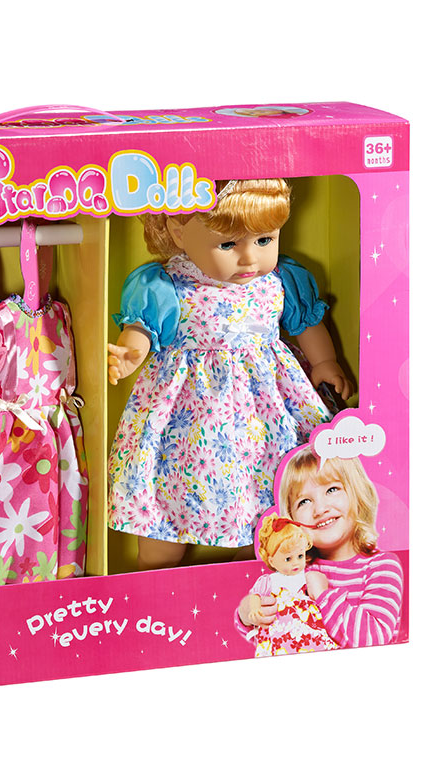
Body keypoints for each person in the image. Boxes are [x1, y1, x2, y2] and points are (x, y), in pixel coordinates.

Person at [107, 179, 352, 569]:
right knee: (170, 501)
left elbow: (305, 325)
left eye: (264, 240)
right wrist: (130, 353)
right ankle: (155, 569)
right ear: (178, 231)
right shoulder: (167, 286)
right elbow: (141, 329)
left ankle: (258, 563)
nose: (250, 258)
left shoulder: (280, 281)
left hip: (268, 414)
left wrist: (324, 362)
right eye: (228, 245)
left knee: (273, 496)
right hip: (191, 419)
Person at [236, 446, 404, 647]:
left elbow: (374, 638)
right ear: (291, 519)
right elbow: (272, 637)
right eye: (304, 501)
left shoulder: (381, 567)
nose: (320, 509)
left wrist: (324, 595)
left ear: (357, 493)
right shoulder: (295, 569)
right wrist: (247, 613)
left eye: (332, 490)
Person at [243, 513, 338, 656]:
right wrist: (255, 608)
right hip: (279, 627)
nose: (295, 563)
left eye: (300, 556)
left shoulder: (307, 576)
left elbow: (320, 596)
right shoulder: (269, 580)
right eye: (288, 559)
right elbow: (255, 595)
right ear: (272, 561)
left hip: (305, 624)